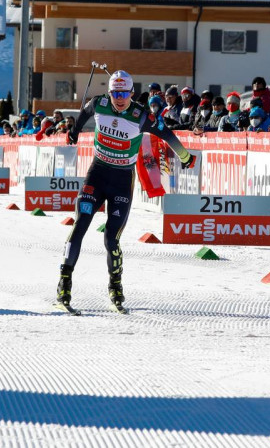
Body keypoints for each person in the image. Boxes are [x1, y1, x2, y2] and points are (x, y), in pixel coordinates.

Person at [58, 70, 195, 313]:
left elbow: (166, 134)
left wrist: (185, 156)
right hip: (97, 174)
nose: (119, 98)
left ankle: (115, 287)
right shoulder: (99, 104)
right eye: (115, 93)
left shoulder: (140, 115)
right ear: (109, 93)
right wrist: (75, 131)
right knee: (80, 225)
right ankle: (64, 283)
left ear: (132, 93)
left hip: (122, 180)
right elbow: (83, 114)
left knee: (111, 238)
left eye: (124, 93)